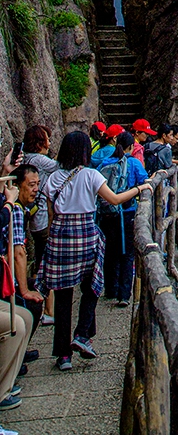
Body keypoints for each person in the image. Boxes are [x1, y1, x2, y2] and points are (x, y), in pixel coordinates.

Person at [35, 131, 153, 371]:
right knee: (91, 286)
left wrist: (52, 240)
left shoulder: (53, 178)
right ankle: (82, 334)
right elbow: (115, 199)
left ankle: (63, 355)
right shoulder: (91, 175)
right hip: (85, 234)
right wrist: (140, 189)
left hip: (59, 236)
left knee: (63, 295)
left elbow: (50, 214)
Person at [97, 131, 147, 307]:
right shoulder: (132, 162)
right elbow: (144, 180)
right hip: (126, 211)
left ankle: (110, 289)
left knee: (110, 251)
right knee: (127, 253)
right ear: (131, 146)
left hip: (107, 213)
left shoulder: (105, 162)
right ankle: (124, 294)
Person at [0, 150, 33, 414]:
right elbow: (17, 250)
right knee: (17, 322)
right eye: (31, 185)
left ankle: (7, 383)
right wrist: (10, 204)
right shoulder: (14, 209)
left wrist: (5, 170)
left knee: (23, 317)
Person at [23, 124, 59, 326]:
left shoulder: (26, 158)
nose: (49, 143)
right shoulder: (38, 160)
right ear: (39, 142)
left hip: (33, 217)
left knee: (39, 259)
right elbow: (61, 166)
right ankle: (47, 309)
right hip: (42, 219)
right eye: (47, 139)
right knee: (46, 261)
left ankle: (43, 306)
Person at [12, 165, 43, 337]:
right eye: (31, 185)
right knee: (33, 303)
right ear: (17, 186)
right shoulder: (15, 210)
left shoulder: (21, 208)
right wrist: (24, 291)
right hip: (9, 279)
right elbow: (19, 253)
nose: (36, 189)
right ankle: (19, 352)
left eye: (37, 184)